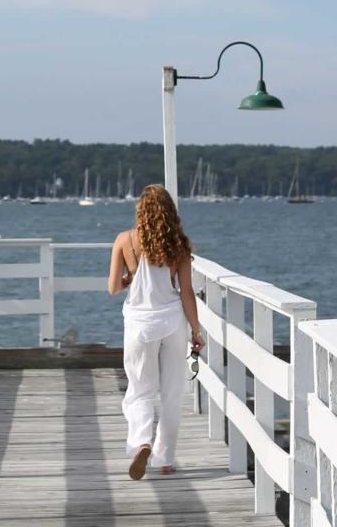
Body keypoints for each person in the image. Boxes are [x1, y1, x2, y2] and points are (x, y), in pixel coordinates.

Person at [107, 184, 204, 480]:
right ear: (169, 210)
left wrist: (130, 278)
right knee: (172, 392)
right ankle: (164, 459)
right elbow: (186, 292)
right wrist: (196, 330)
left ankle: (141, 442)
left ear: (141, 210)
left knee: (140, 389)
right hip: (172, 323)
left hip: (139, 324)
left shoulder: (124, 240)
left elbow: (112, 288)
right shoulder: (179, 245)